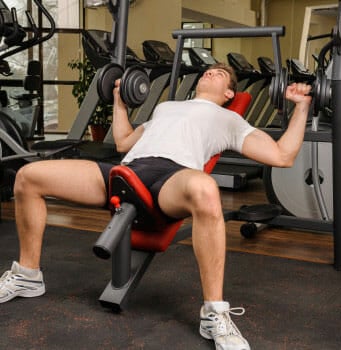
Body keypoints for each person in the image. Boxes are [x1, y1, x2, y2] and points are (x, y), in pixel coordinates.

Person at [0, 62, 311, 350]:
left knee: (205, 188)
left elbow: (283, 156)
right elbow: (123, 142)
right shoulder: (166, 107)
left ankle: (214, 313)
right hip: (128, 170)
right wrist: (120, 101)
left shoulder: (231, 119)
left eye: (219, 73)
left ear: (230, 93)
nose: (210, 72)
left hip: (172, 179)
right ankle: (28, 275)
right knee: (28, 177)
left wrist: (302, 106)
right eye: (209, 70)